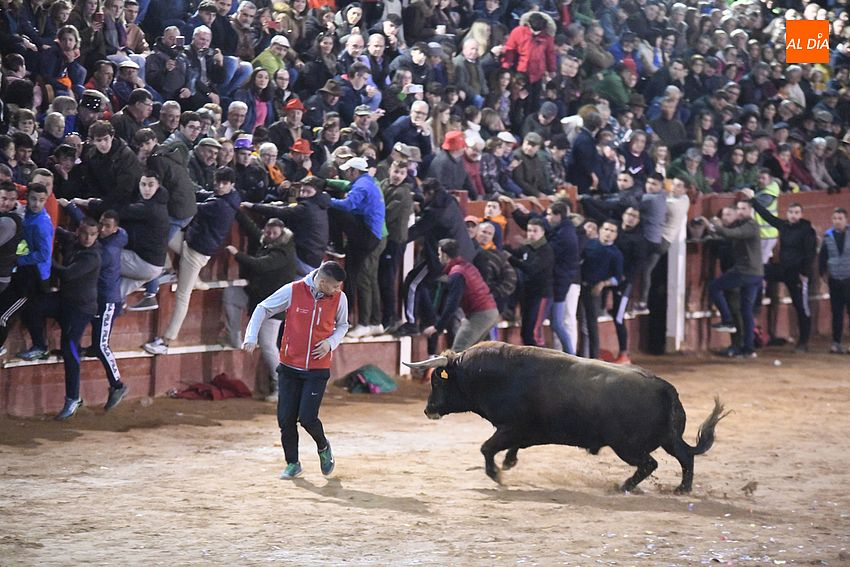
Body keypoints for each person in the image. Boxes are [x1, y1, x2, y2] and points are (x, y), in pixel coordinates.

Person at [242, 261, 349, 480]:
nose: (336, 291)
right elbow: (263, 308)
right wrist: (251, 336)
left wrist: (331, 342)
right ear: (321, 281)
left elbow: (343, 325)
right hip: (290, 367)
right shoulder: (293, 290)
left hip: (317, 368)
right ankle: (293, 463)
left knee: (308, 418)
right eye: (333, 286)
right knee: (285, 419)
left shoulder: (340, 298)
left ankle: (323, 446)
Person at [144, 166, 241, 355]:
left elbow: (192, 206)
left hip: (195, 252)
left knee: (182, 296)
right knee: (161, 234)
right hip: (192, 244)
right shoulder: (227, 198)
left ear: (232, 185)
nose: (220, 186)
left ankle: (166, 341)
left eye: (224, 183)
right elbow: (203, 195)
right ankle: (169, 270)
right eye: (218, 182)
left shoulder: (220, 206)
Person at [24, 217, 101, 420]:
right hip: (65, 301)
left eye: (93, 235)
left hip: (81, 309)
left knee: (70, 347)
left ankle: (73, 397)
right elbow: (55, 229)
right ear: (78, 231)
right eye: (84, 233)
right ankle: (40, 345)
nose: (88, 238)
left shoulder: (93, 256)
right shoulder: (73, 241)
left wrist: (46, 257)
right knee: (33, 306)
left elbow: (67, 275)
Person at [60, 201, 130, 411]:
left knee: (101, 345)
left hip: (107, 301)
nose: (102, 229)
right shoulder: (118, 237)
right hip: (100, 299)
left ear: (114, 228)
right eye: (101, 225)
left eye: (106, 226)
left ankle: (117, 385)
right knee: (93, 343)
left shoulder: (104, 251)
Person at [224, 215, 297, 401]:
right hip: (258, 299)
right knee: (230, 294)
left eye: (274, 232)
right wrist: (237, 209)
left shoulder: (283, 252)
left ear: (281, 234)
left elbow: (261, 265)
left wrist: (237, 254)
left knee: (267, 345)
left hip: (273, 306)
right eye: (268, 232)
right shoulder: (268, 242)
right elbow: (252, 228)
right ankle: (234, 337)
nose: (270, 235)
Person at [742, 188, 816, 352]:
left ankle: (803, 342)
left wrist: (804, 273)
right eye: (791, 212)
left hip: (798, 274)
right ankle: (754, 309)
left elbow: (810, 254)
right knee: (758, 271)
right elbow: (767, 217)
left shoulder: (807, 231)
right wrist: (753, 201)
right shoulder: (784, 226)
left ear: (801, 214)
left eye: (796, 212)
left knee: (801, 307)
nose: (793, 215)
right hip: (784, 269)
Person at [329, 156, 385, 337]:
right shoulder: (369, 181)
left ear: (354, 171)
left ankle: (358, 322)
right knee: (362, 278)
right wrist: (326, 182)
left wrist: (325, 201)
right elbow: (346, 185)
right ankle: (370, 322)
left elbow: (348, 204)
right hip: (373, 235)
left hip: (365, 236)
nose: (346, 173)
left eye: (348, 170)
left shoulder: (361, 186)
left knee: (354, 277)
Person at [701, 199, 764, 359]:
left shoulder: (750, 225)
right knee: (746, 311)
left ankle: (727, 320)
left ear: (749, 210)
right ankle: (748, 348)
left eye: (743, 209)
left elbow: (732, 234)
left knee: (715, 287)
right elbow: (728, 236)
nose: (741, 211)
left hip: (745, 272)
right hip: (753, 273)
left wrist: (714, 226)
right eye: (739, 208)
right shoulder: (744, 226)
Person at [422, 238, 499, 352]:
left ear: (445, 255)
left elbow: (452, 304)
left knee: (457, 353)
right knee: (474, 353)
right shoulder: (466, 266)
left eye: (439, 254)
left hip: (480, 314)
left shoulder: (457, 273)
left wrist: (437, 327)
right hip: (490, 311)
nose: (438, 257)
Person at [579, 219, 623, 360]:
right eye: (606, 229)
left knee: (591, 325)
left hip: (595, 290)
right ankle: (582, 355)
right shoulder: (589, 244)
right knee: (580, 323)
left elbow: (618, 277)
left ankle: (592, 358)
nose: (608, 233)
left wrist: (603, 283)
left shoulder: (615, 253)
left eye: (612, 231)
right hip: (580, 286)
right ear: (600, 230)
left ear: (616, 235)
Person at [508, 218, 554, 347]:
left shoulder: (545, 250)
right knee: (525, 331)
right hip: (527, 293)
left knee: (533, 332)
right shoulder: (527, 247)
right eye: (529, 230)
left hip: (540, 294)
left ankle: (541, 364)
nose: (531, 233)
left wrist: (511, 259)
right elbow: (516, 254)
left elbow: (531, 269)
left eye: (535, 231)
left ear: (542, 232)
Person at [819, 207, 850, 354]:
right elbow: (822, 258)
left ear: (846, 220)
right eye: (835, 218)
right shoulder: (827, 236)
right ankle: (836, 342)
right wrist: (823, 274)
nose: (837, 221)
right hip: (835, 279)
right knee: (836, 312)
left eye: (840, 218)